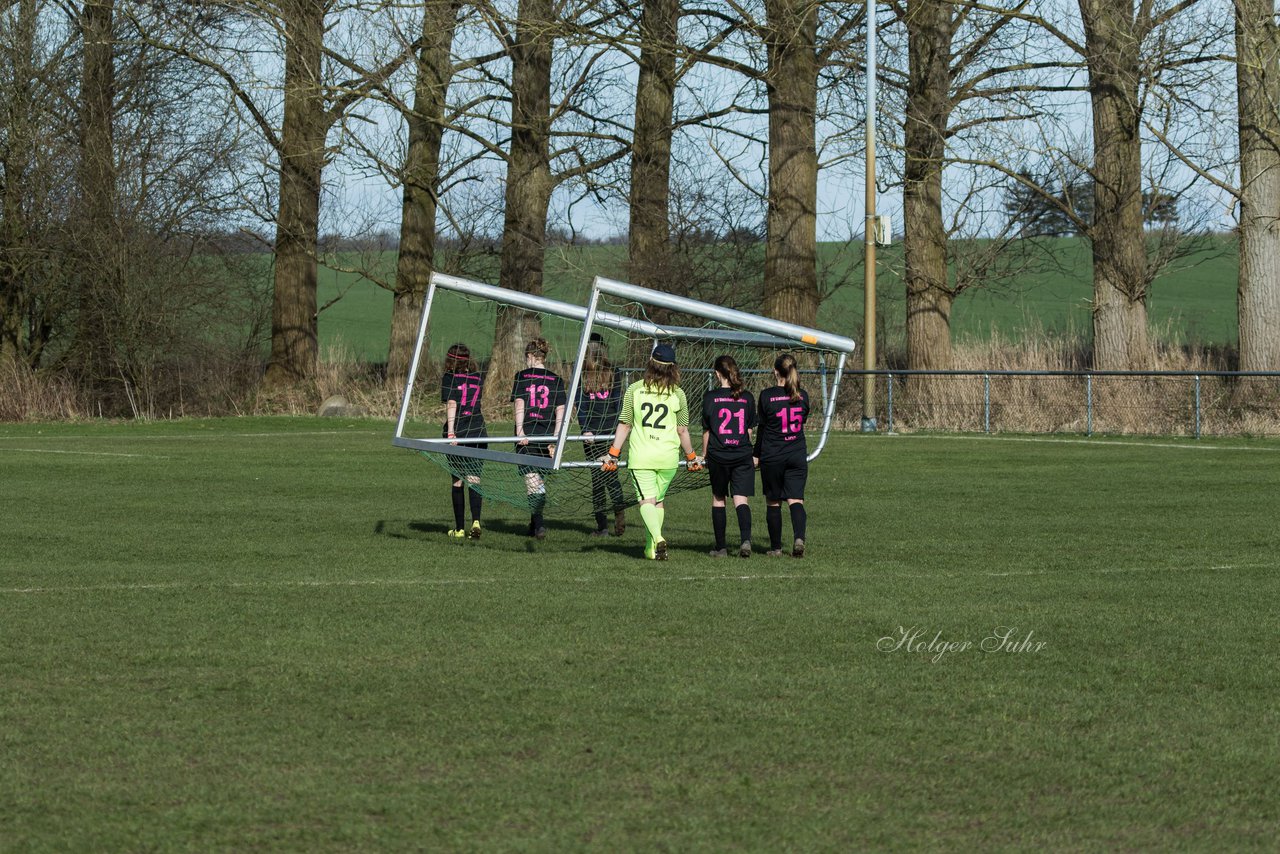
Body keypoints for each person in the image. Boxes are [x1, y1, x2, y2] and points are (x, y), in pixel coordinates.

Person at [601, 343, 701, 560]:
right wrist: (691, 456)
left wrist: (613, 454)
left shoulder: (635, 389)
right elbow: (682, 429)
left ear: (651, 363)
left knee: (646, 501)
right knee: (657, 501)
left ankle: (657, 538)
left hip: (642, 457)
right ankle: (650, 548)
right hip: (668, 459)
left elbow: (625, 424)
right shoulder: (679, 393)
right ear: (673, 367)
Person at [754, 353, 811, 557]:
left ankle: (776, 548)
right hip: (796, 454)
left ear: (775, 371)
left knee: (773, 501)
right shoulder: (803, 395)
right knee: (796, 500)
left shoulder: (767, 396)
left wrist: (756, 454)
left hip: (773, 455)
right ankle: (799, 538)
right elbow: (802, 417)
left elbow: (762, 428)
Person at [699, 354, 756, 558]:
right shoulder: (747, 397)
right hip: (742, 454)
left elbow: (707, 431)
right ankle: (745, 540)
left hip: (718, 454)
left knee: (718, 498)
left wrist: (704, 455)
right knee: (741, 500)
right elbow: (749, 431)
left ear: (717, 374)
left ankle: (721, 547)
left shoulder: (710, 397)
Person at [510, 338, 566, 540]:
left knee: (533, 482)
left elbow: (519, 403)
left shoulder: (522, 376)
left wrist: (520, 431)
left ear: (530, 356)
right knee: (537, 481)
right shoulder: (556, 379)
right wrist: (556, 437)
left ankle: (540, 526)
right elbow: (561, 410)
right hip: (547, 435)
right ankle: (534, 525)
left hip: (529, 435)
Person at [576, 333, 627, 537]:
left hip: (602, 433)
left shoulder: (612, 372)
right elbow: (583, 404)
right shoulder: (584, 373)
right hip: (602, 434)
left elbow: (615, 403)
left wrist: (587, 428)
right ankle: (609, 522)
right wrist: (587, 429)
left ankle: (607, 524)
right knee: (607, 476)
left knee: (601, 478)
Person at [440, 343, 486, 539]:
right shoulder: (478, 377)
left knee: (458, 480)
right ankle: (476, 521)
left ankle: (459, 529)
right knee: (474, 478)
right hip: (478, 430)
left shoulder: (449, 378)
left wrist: (451, 432)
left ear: (450, 360)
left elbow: (452, 403)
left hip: (460, 431)